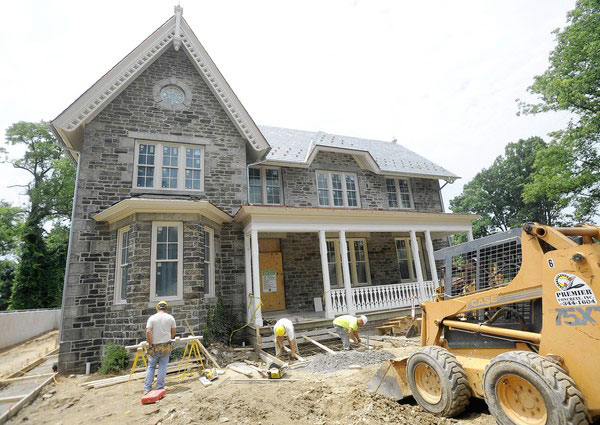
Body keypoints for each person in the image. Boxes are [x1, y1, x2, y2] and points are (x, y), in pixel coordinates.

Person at [144, 300, 176, 394]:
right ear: (166, 308)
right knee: (162, 366)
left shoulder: (152, 318)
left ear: (157, 308)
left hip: (154, 346)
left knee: (151, 366)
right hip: (166, 346)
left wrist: (150, 345)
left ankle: (147, 388)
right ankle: (160, 387)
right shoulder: (170, 318)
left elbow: (148, 332)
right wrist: (169, 338)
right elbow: (173, 331)